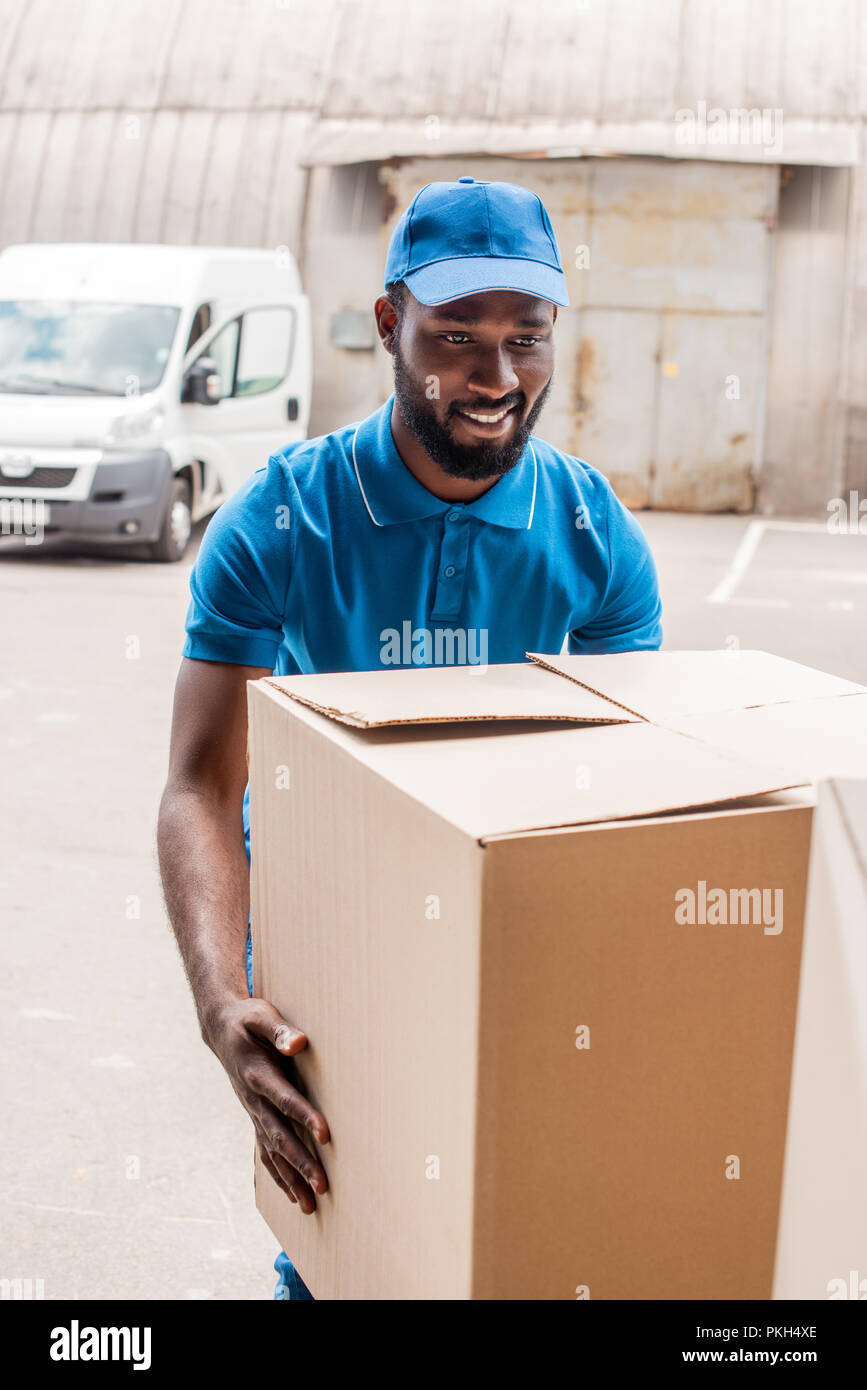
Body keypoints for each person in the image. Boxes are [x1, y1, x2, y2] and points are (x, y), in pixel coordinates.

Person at [157, 176, 663, 1301]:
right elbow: (198, 784)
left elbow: (634, 788)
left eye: (525, 340)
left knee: (511, 1232)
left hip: (512, 932)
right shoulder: (285, 519)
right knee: (345, 1238)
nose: (495, 379)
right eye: (456, 339)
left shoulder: (592, 535)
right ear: (391, 326)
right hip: (326, 946)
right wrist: (218, 1002)